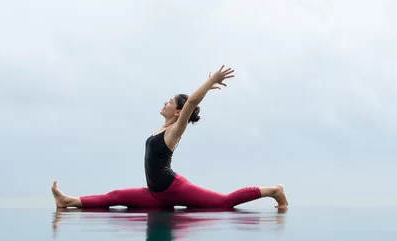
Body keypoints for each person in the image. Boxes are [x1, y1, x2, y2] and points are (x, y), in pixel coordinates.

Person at [52, 65, 288, 210]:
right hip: (156, 193)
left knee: (224, 203)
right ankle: (67, 201)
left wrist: (210, 81)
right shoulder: (159, 129)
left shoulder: (175, 130)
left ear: (178, 111)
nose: (165, 101)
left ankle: (274, 190)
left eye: (170, 101)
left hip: (173, 189)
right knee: (114, 196)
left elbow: (192, 102)